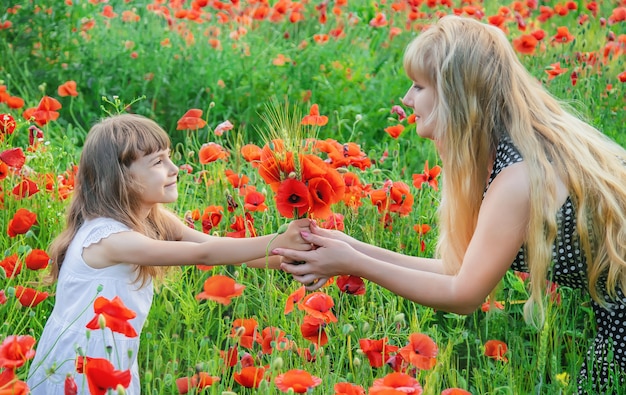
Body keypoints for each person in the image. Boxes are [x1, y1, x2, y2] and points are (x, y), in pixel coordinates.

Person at [275, 15, 626, 393]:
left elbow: (464, 294)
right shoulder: (514, 154)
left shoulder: (518, 177)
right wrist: (351, 248)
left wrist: (354, 263)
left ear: (456, 95)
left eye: (418, 86)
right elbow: (458, 270)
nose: (407, 99)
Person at [26, 113, 311, 394]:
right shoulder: (108, 239)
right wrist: (279, 238)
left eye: (169, 157)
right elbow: (206, 255)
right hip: (77, 365)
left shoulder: (155, 220)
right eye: (158, 162)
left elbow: (216, 247)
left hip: (113, 357)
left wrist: (295, 258)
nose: (174, 168)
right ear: (121, 176)